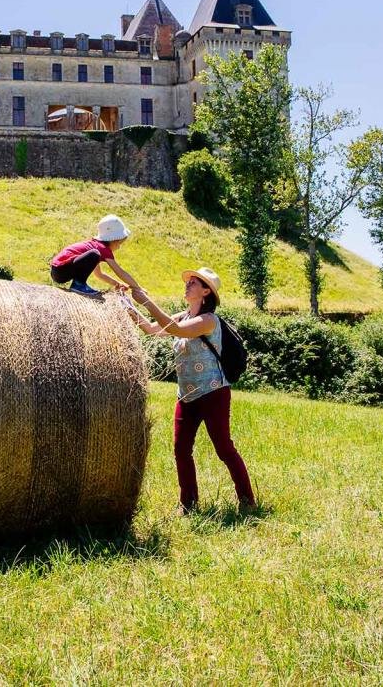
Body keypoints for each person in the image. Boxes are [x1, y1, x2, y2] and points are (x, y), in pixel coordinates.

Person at [130, 267, 255, 514]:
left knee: (223, 448)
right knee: (181, 449)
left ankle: (247, 500)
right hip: (186, 395)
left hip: (213, 393)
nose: (187, 284)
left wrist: (146, 300)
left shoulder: (208, 321)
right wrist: (126, 303)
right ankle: (188, 503)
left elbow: (176, 332)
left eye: (194, 282)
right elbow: (150, 329)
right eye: (188, 281)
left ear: (206, 291)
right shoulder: (183, 316)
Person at [50, 214, 143, 297]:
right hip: (62, 270)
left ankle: (79, 284)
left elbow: (99, 274)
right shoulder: (101, 250)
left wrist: (117, 284)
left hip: (57, 271)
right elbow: (119, 271)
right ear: (114, 240)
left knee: (94, 254)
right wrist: (138, 288)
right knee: (94, 254)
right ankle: (78, 285)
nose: (119, 247)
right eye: (120, 243)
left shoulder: (95, 247)